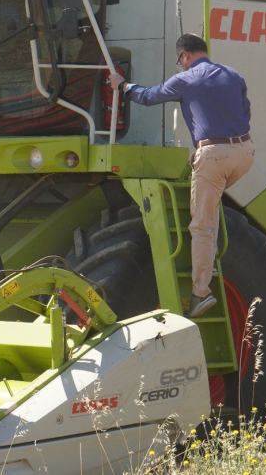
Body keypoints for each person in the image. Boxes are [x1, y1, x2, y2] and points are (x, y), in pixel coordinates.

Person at [109, 33, 254, 318]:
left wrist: (122, 85)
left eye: (180, 61)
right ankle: (208, 260)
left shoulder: (187, 79)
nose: (182, 65)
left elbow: (149, 96)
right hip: (246, 152)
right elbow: (245, 113)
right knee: (209, 210)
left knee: (200, 224)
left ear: (185, 55)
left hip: (214, 154)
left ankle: (201, 292)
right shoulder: (232, 74)